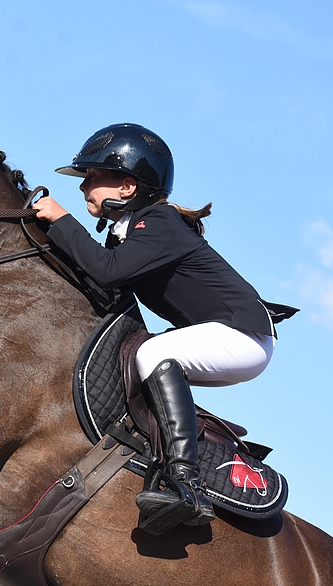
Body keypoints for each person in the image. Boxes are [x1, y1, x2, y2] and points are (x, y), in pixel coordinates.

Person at [32, 123, 279, 533]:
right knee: (143, 358)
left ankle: (186, 483)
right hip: (233, 336)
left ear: (127, 187)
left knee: (152, 353)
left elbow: (106, 273)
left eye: (92, 177)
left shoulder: (158, 223)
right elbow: (97, 276)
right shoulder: (130, 232)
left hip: (245, 337)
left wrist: (61, 220)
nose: (83, 188)